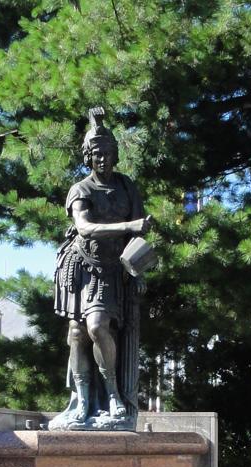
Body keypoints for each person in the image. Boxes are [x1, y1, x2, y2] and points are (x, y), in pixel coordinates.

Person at [50, 107, 151, 431]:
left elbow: (138, 236)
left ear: (115, 155)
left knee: (97, 327)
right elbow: (85, 227)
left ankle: (113, 397)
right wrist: (129, 224)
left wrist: (139, 272)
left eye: (107, 153)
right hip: (80, 266)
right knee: (77, 335)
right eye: (96, 154)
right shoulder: (81, 190)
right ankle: (81, 404)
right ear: (88, 157)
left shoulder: (126, 187)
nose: (103, 159)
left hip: (111, 270)